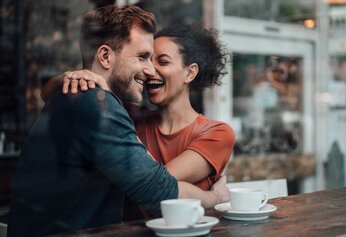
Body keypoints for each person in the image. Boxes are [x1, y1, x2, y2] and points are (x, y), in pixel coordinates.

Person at [7, 5, 228, 237]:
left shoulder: (81, 97)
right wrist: (217, 197)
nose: (150, 70)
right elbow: (159, 191)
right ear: (105, 56)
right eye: (143, 57)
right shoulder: (95, 103)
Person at [44, 24, 235, 219]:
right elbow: (48, 94)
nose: (150, 71)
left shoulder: (218, 133)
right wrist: (71, 78)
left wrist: (213, 198)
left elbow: (156, 182)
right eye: (147, 61)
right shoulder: (131, 115)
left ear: (190, 73)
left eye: (163, 61)